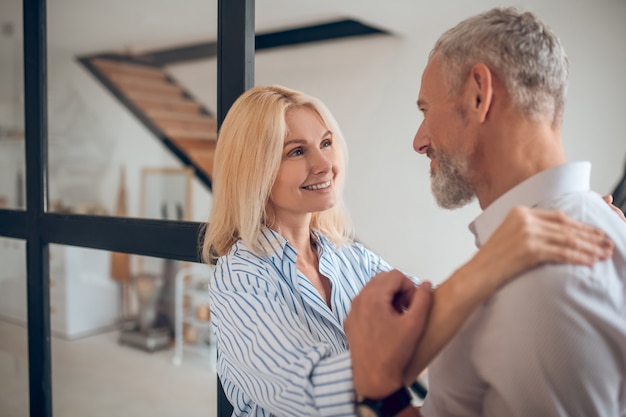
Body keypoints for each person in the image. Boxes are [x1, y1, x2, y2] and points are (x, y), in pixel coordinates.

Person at [201, 84, 614, 417]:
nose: (324, 164)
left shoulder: (350, 257)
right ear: (254, 169)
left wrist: (563, 221)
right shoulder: (240, 277)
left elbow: (435, 313)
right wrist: (487, 265)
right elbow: (304, 393)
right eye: (296, 151)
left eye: (326, 143)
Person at [345, 6, 626, 417]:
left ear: (479, 92)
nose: (419, 141)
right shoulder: (589, 230)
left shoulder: (542, 280)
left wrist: (380, 395)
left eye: (425, 110)